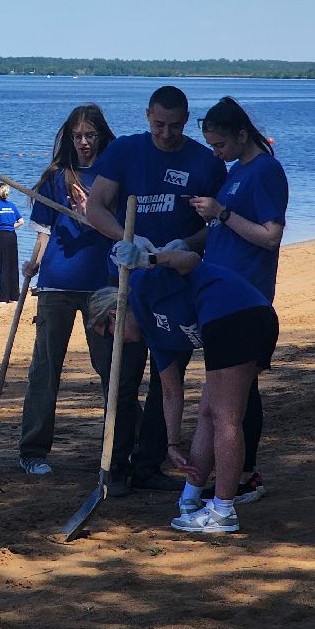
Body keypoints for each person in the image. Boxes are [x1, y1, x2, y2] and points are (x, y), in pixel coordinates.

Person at [85, 85, 227, 493]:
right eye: (159, 124)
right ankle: (113, 465)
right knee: (122, 376)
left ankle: (148, 465)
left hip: (177, 289)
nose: (166, 133)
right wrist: (122, 240)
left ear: (187, 120)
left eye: (176, 125)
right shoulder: (126, 151)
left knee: (168, 379)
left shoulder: (204, 162)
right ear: (147, 115)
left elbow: (214, 224)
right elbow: (96, 206)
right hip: (128, 285)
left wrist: (187, 244)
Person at [92, 240, 278, 534]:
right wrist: (172, 444)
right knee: (208, 411)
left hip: (236, 313)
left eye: (109, 334)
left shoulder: (141, 286)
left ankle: (224, 512)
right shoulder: (157, 340)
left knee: (225, 417)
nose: (117, 342)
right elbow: (170, 392)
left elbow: (190, 259)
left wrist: (149, 259)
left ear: (114, 314)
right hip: (245, 319)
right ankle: (191, 500)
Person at [189, 96, 288, 505]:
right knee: (234, 391)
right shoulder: (239, 171)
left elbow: (270, 235)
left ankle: (246, 475)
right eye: (212, 146)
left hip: (245, 297)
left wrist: (222, 213)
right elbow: (224, 229)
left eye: (220, 146)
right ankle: (238, 472)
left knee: (239, 393)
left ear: (242, 134)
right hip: (221, 295)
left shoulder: (265, 171)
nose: (217, 154)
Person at [16, 103, 118, 478]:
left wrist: (92, 211)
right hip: (57, 283)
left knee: (111, 367)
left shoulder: (114, 175)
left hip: (102, 286)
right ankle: (32, 450)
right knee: (44, 369)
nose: (83, 143)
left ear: (101, 136)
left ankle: (119, 449)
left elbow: (122, 227)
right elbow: (44, 227)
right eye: (77, 136)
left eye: (90, 135)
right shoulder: (59, 176)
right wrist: (34, 261)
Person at [0, 184, 25, 305]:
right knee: (13, 264)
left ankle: (3, 297)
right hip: (12, 236)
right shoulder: (12, 206)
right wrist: (10, 226)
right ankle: (14, 295)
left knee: (3, 265)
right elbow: (21, 221)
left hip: (1, 236)